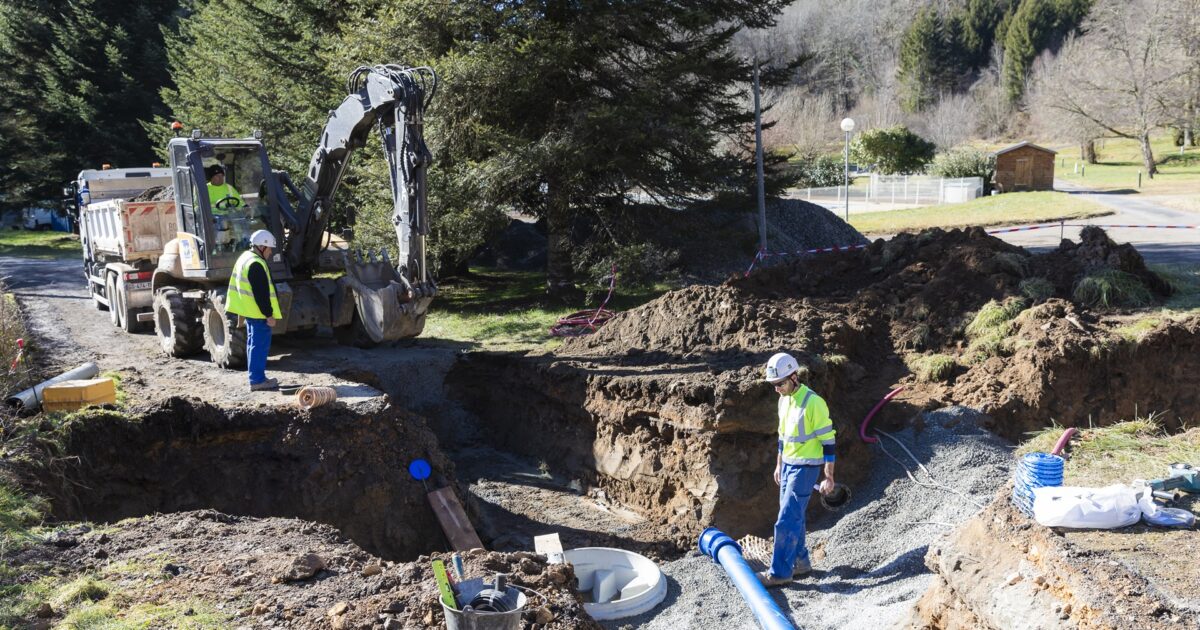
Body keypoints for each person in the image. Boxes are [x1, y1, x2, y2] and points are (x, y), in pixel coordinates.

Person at [758, 352, 836, 587]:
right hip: (788, 465)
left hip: (806, 468)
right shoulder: (784, 400)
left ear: (794, 377)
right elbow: (783, 436)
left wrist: (829, 476)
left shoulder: (813, 403)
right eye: (773, 385)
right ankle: (801, 563)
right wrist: (779, 463)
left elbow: (829, 442)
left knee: (785, 520)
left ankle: (780, 572)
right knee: (794, 516)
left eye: (779, 383)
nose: (776, 389)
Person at [226, 230, 280, 391]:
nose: (270, 252)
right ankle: (257, 381)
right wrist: (269, 315)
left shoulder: (245, 258)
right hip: (258, 314)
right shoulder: (256, 263)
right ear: (262, 246)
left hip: (250, 311)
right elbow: (261, 293)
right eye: (269, 248)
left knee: (253, 345)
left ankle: (256, 378)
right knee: (259, 346)